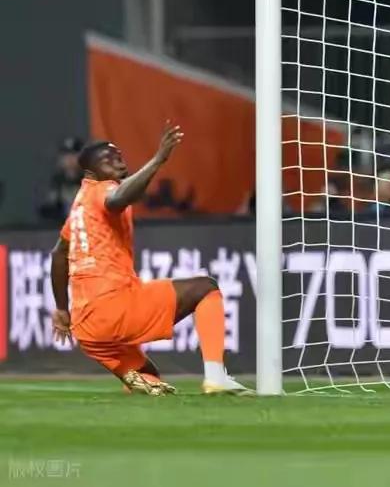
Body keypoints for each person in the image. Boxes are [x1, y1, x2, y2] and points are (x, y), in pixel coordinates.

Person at [50, 123, 249, 395]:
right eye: (108, 159)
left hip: (88, 329)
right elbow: (117, 198)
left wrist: (62, 310)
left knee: (149, 379)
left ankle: (134, 396)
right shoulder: (102, 190)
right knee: (206, 288)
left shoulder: (79, 207)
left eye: (119, 156)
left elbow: (58, 254)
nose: (119, 162)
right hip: (113, 307)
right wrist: (158, 160)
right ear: (90, 171)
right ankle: (216, 377)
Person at [38, 137, 85, 222]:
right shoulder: (56, 182)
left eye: (74, 155)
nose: (70, 159)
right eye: (66, 155)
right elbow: (47, 209)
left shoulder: (91, 181)